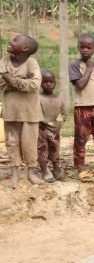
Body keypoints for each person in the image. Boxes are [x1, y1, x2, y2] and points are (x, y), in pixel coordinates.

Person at [0, 34, 42, 187]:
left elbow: (34, 85)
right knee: (11, 142)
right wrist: (22, 80)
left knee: (29, 143)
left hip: (30, 112)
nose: (11, 41)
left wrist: (10, 79)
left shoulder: (32, 63)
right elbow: (0, 83)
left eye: (15, 40)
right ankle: (14, 173)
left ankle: (31, 171)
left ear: (25, 49)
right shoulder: (4, 61)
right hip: (11, 111)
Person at [70, 34, 94, 182]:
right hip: (82, 108)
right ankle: (80, 167)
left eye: (89, 47)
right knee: (80, 139)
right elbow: (80, 85)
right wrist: (89, 68)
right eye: (82, 47)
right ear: (78, 48)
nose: (85, 50)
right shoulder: (74, 65)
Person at [38, 70, 66, 183]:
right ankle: (44, 170)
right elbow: (36, 113)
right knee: (42, 150)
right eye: (45, 82)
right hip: (42, 130)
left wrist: (60, 122)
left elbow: (63, 112)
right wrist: (44, 123)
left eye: (51, 81)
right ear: (40, 83)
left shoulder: (58, 98)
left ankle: (56, 169)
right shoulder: (38, 98)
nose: (48, 84)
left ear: (55, 83)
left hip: (55, 129)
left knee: (55, 149)